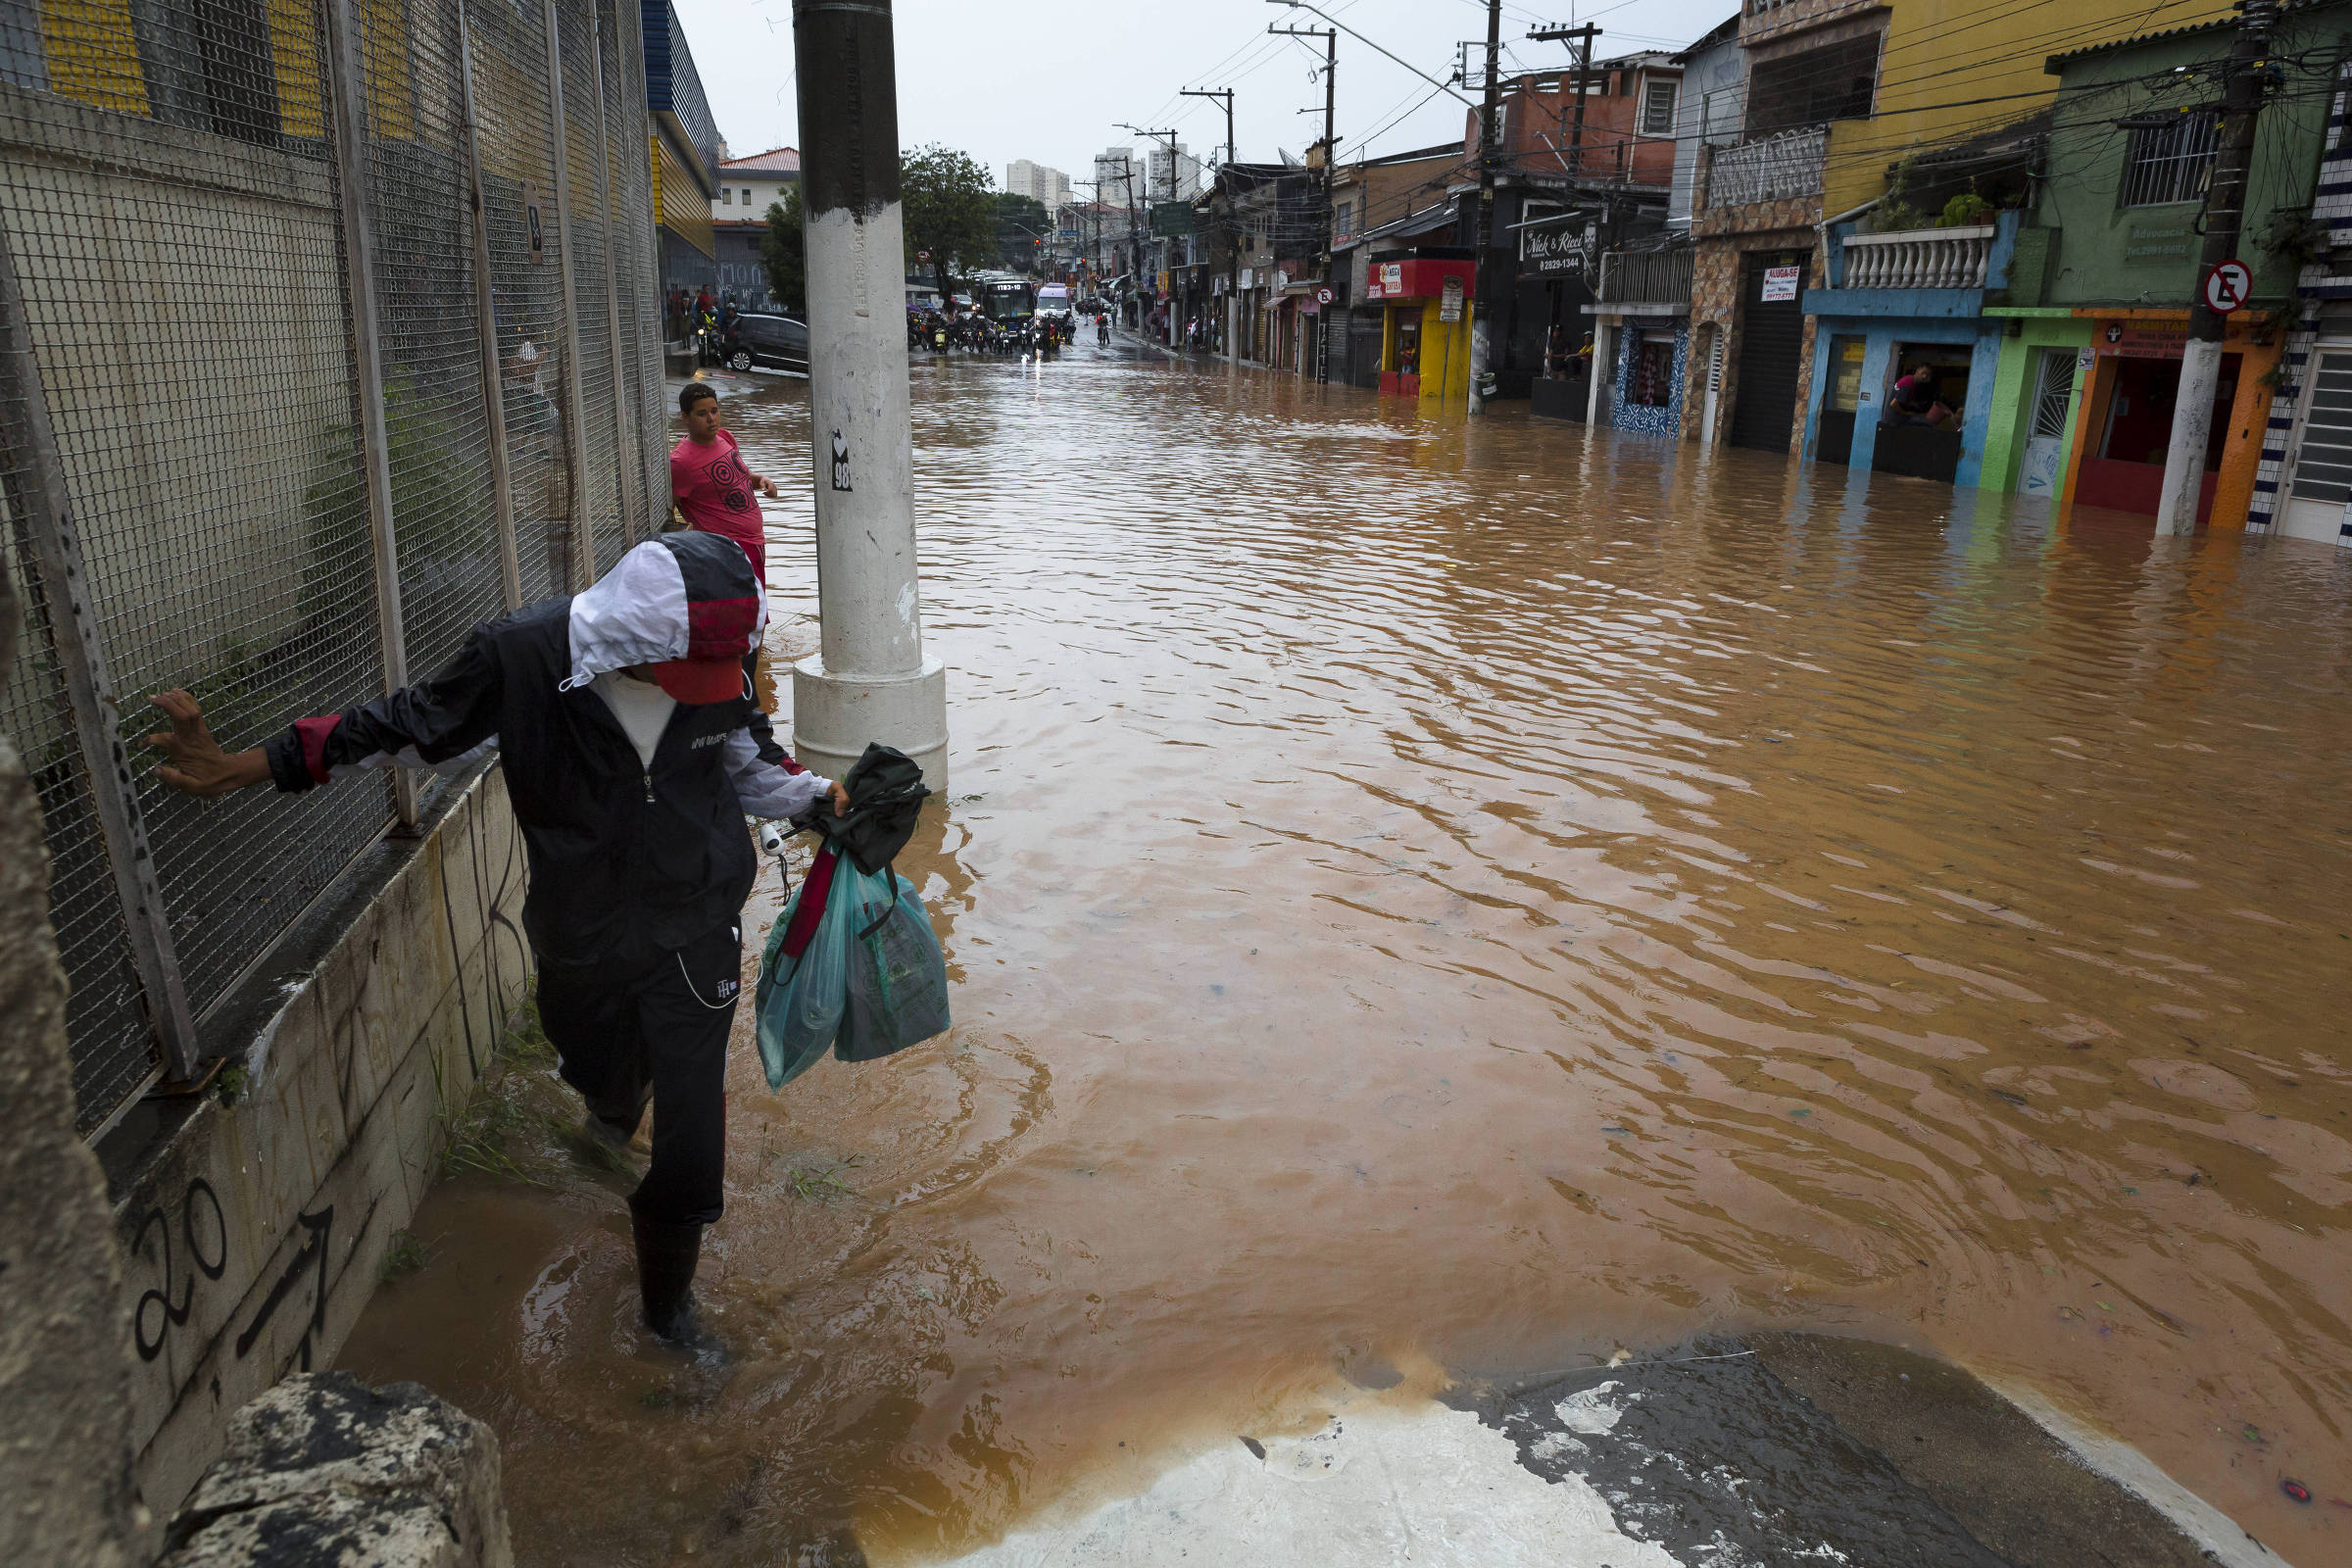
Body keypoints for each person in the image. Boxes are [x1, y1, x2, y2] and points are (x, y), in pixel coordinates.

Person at [145, 531, 850, 1355]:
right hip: (579, 927)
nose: (705, 690)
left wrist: (825, 801)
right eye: (684, 672)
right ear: (630, 637)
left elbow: (748, 759)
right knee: (599, 1073)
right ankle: (610, 1112)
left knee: (693, 1141)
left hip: (696, 922)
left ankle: (667, 1317)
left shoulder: (717, 664)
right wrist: (252, 763)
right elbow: (410, 727)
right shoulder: (521, 659)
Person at [671, 384, 782, 709]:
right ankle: (744, 692)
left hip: (754, 543)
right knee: (750, 617)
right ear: (685, 418)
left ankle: (751, 682)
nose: (711, 419)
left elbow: (741, 475)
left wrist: (761, 480)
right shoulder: (681, 462)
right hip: (729, 550)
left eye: (714, 411)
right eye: (702, 414)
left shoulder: (726, 439)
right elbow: (674, 505)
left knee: (755, 615)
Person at [1886, 366, 1954, 427]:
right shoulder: (1907, 383)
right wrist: (1906, 413)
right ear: (1917, 370)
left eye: (1927, 375)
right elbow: (1893, 404)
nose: (1924, 376)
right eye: (1923, 373)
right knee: (1927, 424)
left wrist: (1912, 403)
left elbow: (1901, 398)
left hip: (1897, 418)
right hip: (1895, 419)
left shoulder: (1911, 381)